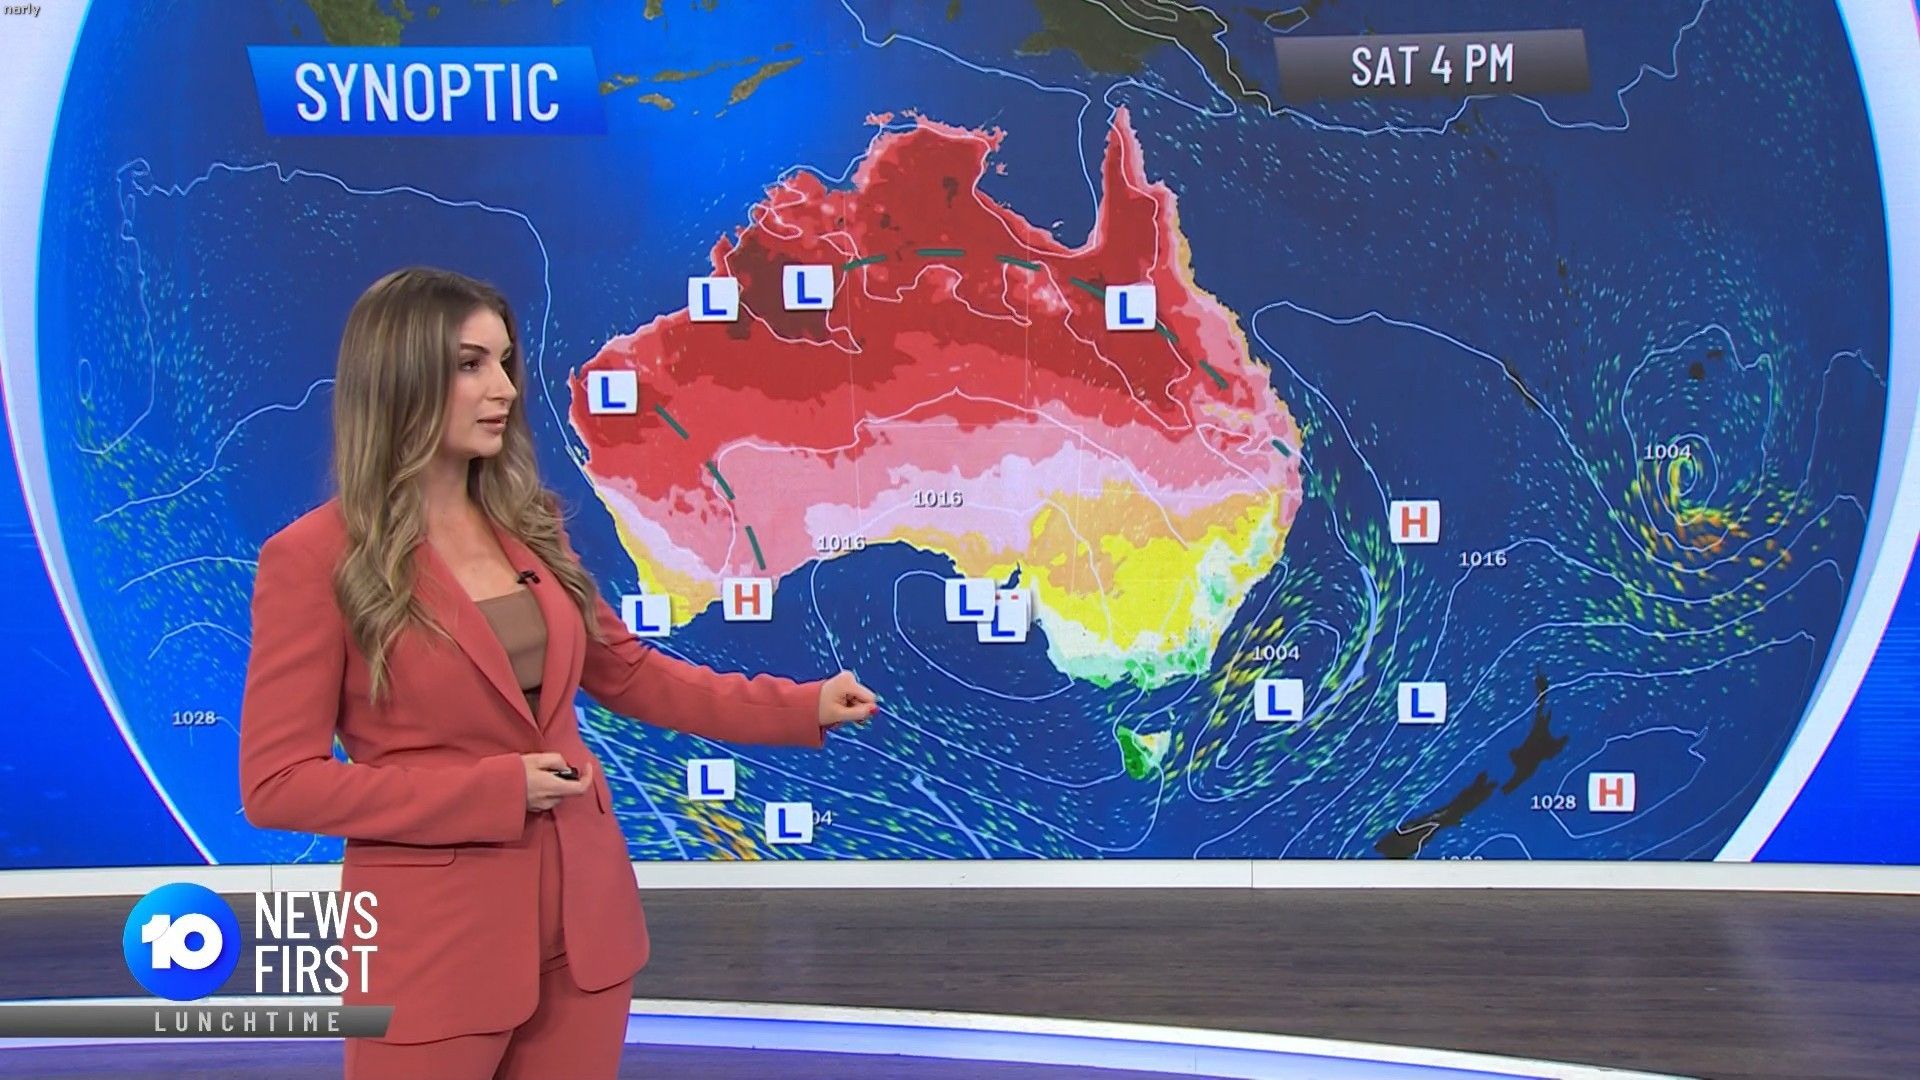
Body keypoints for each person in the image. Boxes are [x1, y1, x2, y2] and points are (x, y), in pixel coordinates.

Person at [237, 266, 878, 1080]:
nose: (504, 388)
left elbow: (629, 674)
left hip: (584, 933)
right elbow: (278, 784)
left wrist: (800, 706)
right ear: (400, 377)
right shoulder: (313, 559)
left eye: (505, 362)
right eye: (470, 365)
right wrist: (493, 791)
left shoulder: (529, 526)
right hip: (436, 949)